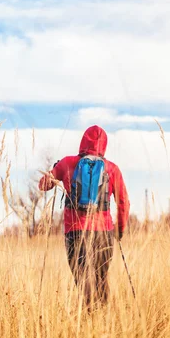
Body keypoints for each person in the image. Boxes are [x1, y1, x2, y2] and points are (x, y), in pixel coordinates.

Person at [39, 125, 130, 308]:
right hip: (104, 233)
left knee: (84, 281)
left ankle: (89, 322)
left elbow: (43, 185)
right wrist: (119, 231)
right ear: (104, 145)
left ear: (83, 141)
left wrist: (55, 172)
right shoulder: (112, 168)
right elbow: (123, 203)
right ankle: (102, 324)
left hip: (76, 232)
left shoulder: (67, 163)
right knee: (101, 280)